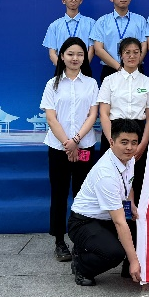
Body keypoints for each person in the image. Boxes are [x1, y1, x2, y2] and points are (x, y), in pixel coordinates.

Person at [41, 37, 100, 263]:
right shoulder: (52, 84)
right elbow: (51, 118)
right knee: (59, 193)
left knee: (82, 194)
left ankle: (80, 239)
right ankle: (59, 241)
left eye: (80, 54)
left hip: (84, 147)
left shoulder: (91, 84)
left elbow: (93, 115)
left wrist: (76, 140)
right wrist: (67, 143)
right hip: (59, 148)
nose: (75, 58)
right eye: (70, 54)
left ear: (85, 58)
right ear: (62, 56)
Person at [67, 117, 144, 286]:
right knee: (113, 253)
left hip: (108, 216)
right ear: (112, 142)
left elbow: (128, 184)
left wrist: (131, 203)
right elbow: (119, 222)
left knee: (142, 227)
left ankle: (129, 271)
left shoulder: (129, 158)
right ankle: (81, 264)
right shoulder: (106, 174)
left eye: (134, 142)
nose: (129, 147)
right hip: (83, 222)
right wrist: (134, 260)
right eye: (124, 142)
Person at [97, 37, 149, 206]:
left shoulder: (148, 82)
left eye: (136, 52)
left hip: (138, 133)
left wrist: (143, 143)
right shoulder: (109, 80)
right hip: (114, 133)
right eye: (127, 52)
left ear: (141, 54)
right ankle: (111, 218)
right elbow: (104, 113)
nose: (132, 56)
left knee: (138, 179)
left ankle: (135, 220)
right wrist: (112, 140)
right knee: (111, 179)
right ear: (121, 55)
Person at [91, 0, 147, 83]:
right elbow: (98, 49)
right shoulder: (102, 21)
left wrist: (133, 65)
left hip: (135, 69)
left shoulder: (140, 20)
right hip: (110, 69)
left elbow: (144, 45)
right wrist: (119, 67)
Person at [42, 0, 95, 71]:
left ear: (81, 0)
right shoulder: (54, 26)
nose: (73, 0)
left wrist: (82, 68)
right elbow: (52, 53)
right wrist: (64, 70)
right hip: (61, 71)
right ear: (63, 0)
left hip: (84, 70)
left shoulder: (91, 23)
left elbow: (92, 50)